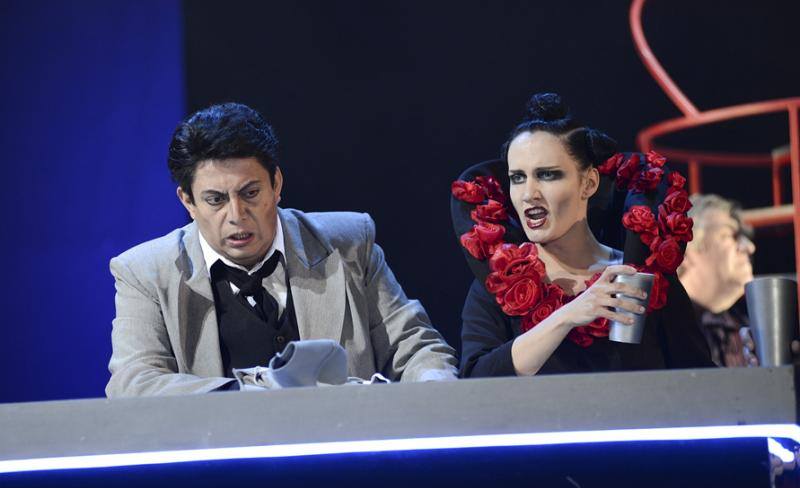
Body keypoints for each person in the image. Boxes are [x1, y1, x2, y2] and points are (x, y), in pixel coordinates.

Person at [107, 102, 457, 397]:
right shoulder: (146, 272)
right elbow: (135, 383)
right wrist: (254, 395)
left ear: (276, 184)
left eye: (250, 193)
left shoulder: (349, 243)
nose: (236, 215)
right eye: (215, 200)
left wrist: (435, 393)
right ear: (188, 201)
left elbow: (416, 348)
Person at [451, 93, 713, 377]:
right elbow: (475, 380)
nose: (528, 194)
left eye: (547, 175)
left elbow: (699, 379)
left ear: (588, 183)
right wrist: (567, 316)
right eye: (518, 178)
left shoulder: (641, 279)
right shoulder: (499, 283)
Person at [677, 194, 758, 367]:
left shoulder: (748, 326)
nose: (750, 247)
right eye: (730, 235)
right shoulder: (658, 326)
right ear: (687, 249)